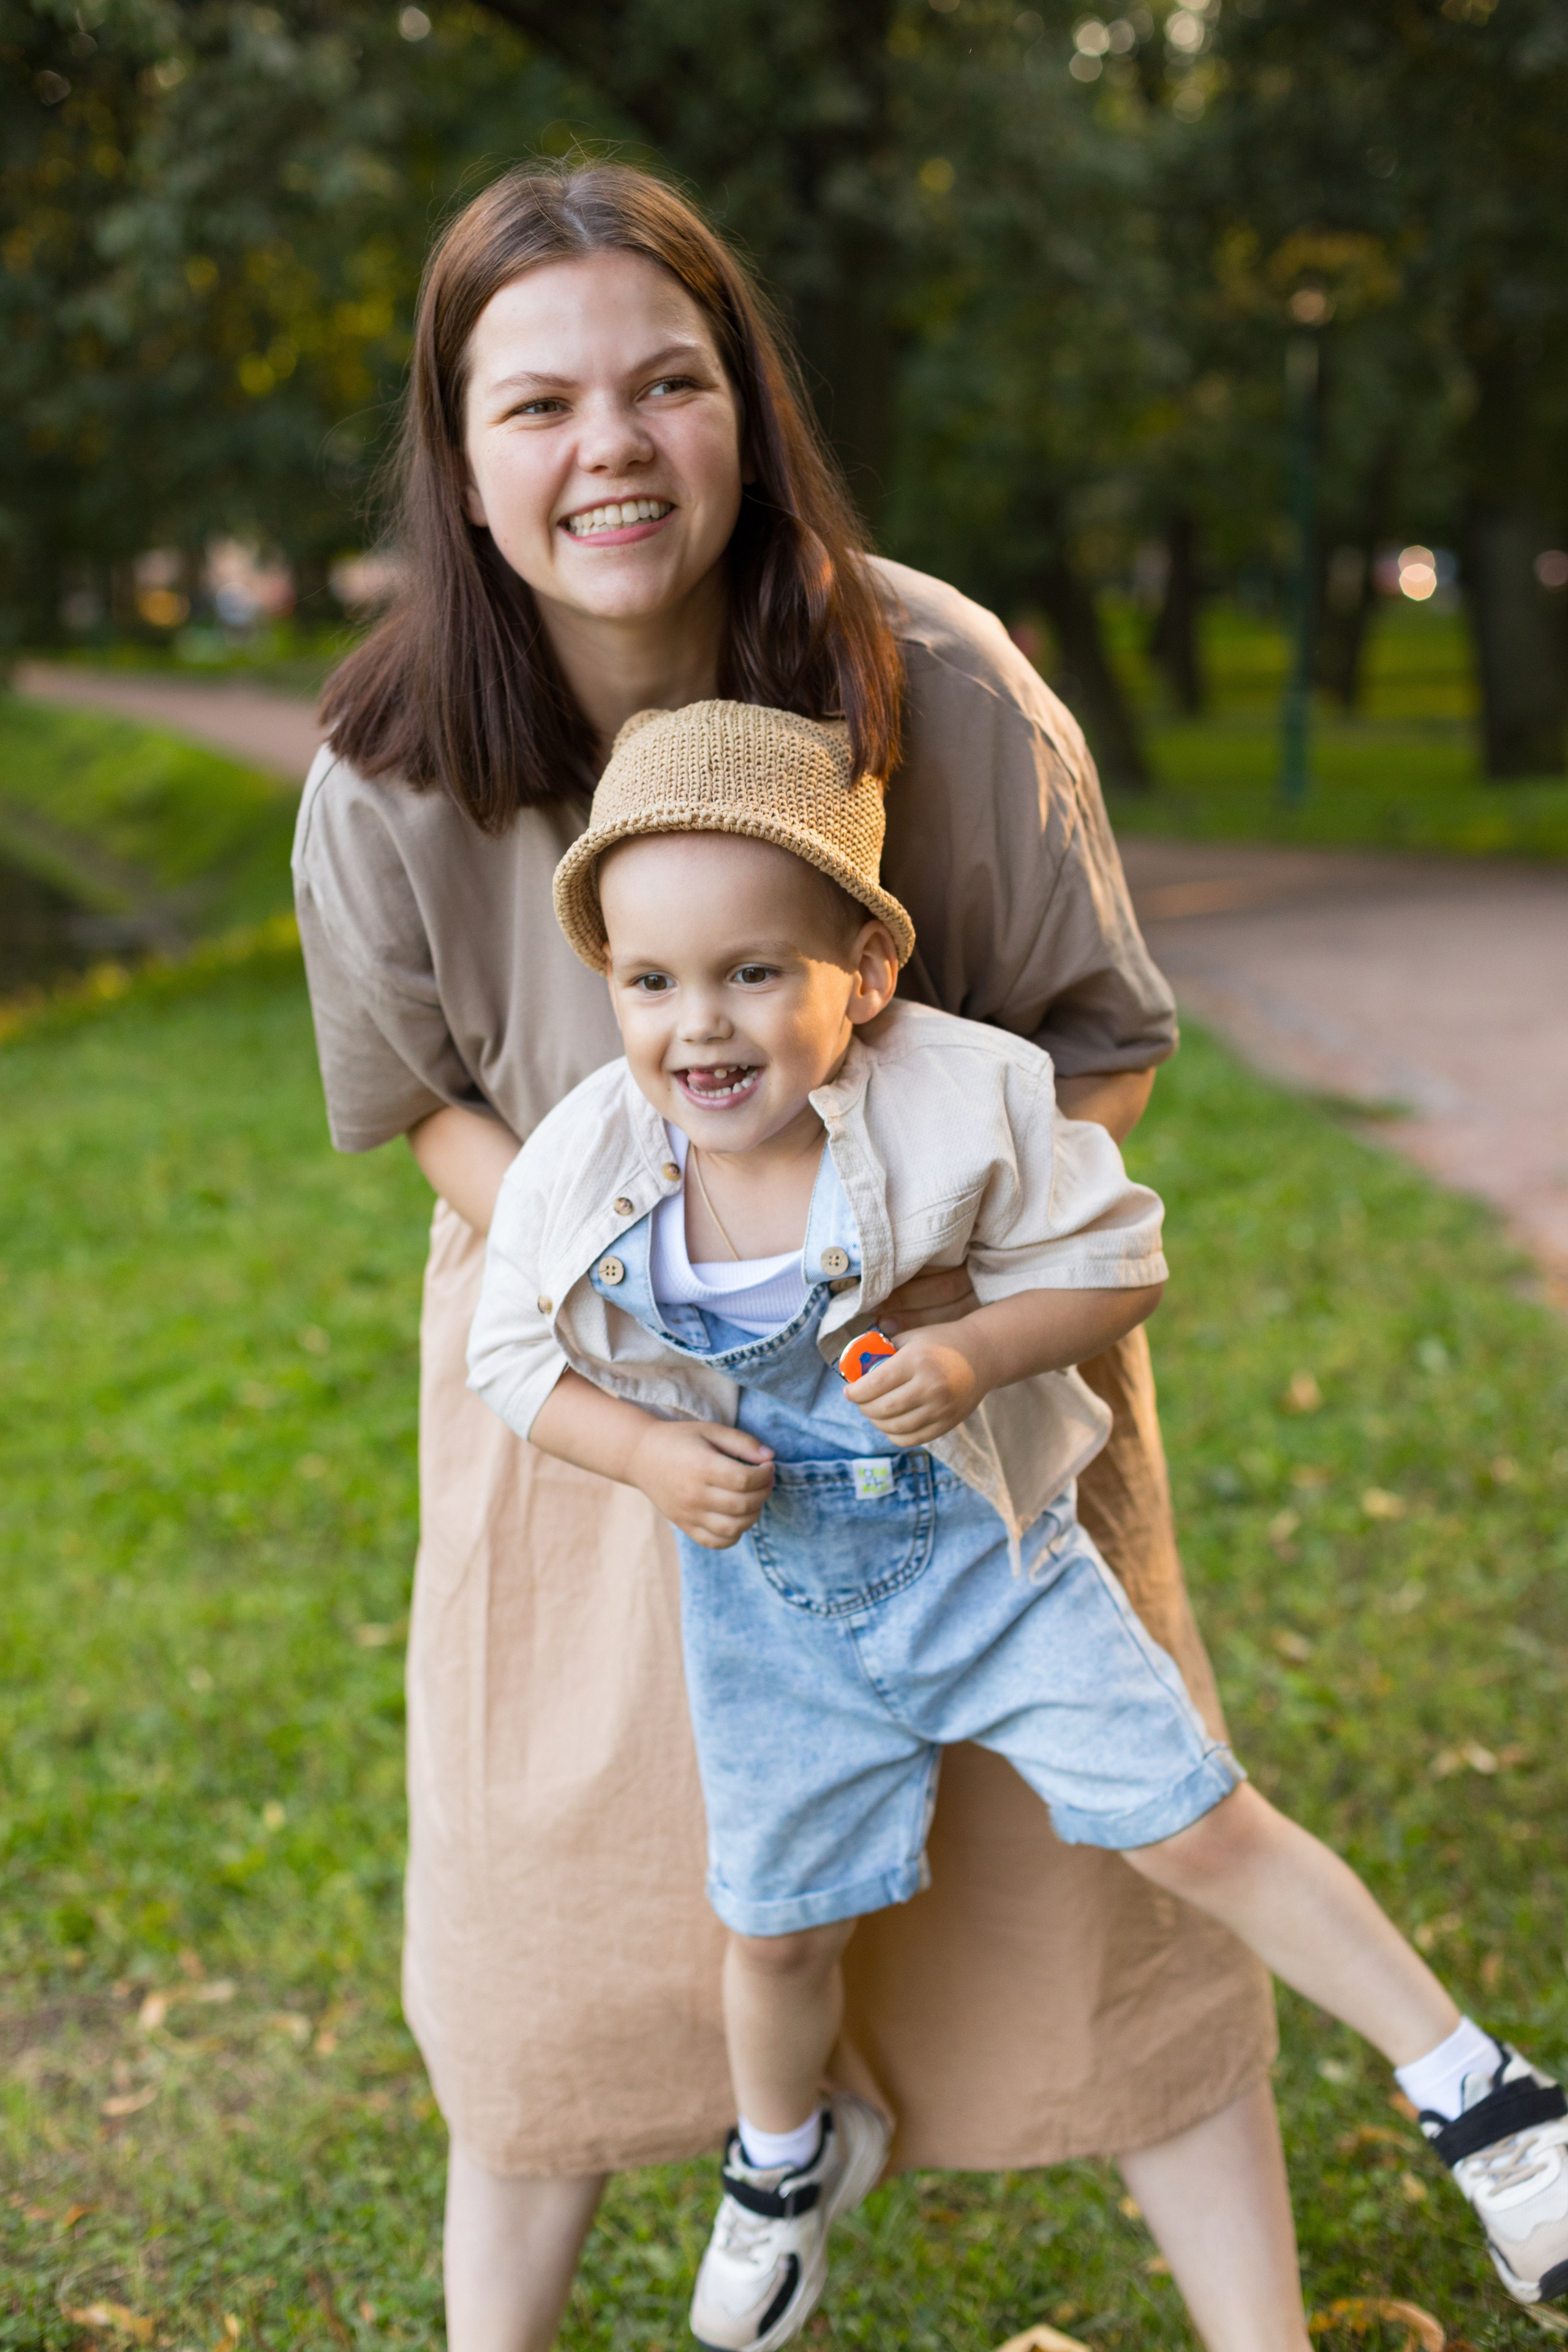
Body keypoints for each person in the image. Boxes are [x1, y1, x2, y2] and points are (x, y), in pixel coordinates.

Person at [296, 158, 1317, 2352]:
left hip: (944, 1374)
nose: (612, 451)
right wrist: (621, 1280)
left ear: (745, 405)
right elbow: (417, 1107)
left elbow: (1100, 1046)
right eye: (538, 406)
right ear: (461, 463)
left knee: (1092, 1863)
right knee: (552, 1900)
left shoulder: (935, 677)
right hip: (599, 1394)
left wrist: (920, 1280)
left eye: (668, 383)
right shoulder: (387, 766)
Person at [465, 695, 1568, 2348]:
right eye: (652, 982)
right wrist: (636, 1451)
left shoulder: (960, 1095)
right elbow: (507, 1353)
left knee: (1193, 1819)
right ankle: (784, 2161)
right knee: (772, 1934)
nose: (702, 1026)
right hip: (770, 1613)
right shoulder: (590, 1156)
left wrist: (973, 1348)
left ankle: (1486, 2098)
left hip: (990, 1566)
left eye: (756, 971)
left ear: (869, 975)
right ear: (609, 983)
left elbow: (1118, 1261)